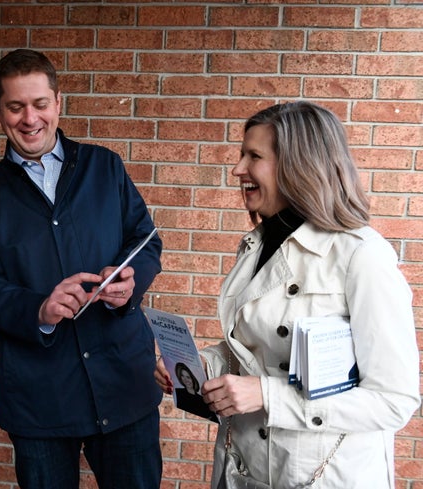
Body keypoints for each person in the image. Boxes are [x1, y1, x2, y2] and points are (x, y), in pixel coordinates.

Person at [155, 101, 420, 488]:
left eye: (254, 156)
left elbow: (393, 401)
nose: (238, 169)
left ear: (298, 166)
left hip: (322, 476)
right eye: (241, 154)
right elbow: (255, 347)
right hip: (244, 465)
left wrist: (267, 395)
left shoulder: (361, 256)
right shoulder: (256, 245)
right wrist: (202, 366)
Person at [0, 49, 163, 489]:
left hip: (124, 381)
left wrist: (131, 284)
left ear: (58, 102)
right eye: (15, 107)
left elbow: (146, 242)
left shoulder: (105, 167)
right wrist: (39, 308)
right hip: (40, 397)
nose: (29, 119)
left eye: (40, 104)